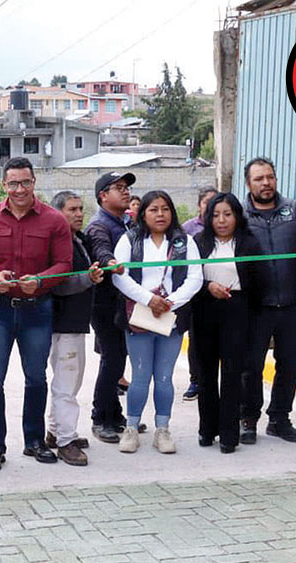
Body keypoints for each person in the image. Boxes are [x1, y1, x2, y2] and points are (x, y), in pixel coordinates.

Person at [0, 157, 73, 471]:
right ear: (4, 185)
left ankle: (34, 441)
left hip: (37, 311)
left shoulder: (54, 221)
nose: (20, 189)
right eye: (13, 183)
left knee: (35, 378)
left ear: (34, 182)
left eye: (25, 182)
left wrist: (41, 281)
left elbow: (64, 265)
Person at [241, 157, 296, 445]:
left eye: (270, 177)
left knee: (289, 365)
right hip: (255, 306)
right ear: (248, 184)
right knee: (250, 366)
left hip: (292, 303)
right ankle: (248, 419)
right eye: (259, 179)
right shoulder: (239, 215)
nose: (266, 183)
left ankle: (279, 418)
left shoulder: (294, 210)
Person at [112, 190, 202, 454]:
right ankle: (131, 428)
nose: (160, 214)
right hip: (139, 317)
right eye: (153, 209)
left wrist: (170, 302)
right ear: (143, 214)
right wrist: (148, 300)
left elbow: (195, 277)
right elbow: (120, 276)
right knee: (140, 376)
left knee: (164, 378)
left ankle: (162, 429)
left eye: (165, 209)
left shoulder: (185, 241)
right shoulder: (130, 240)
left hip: (171, 319)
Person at [192, 192, 262, 454]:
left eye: (227, 214)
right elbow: (189, 278)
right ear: (208, 217)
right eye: (216, 215)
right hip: (205, 309)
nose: (221, 221)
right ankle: (207, 429)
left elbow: (259, 283)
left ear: (237, 216)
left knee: (232, 374)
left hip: (238, 310)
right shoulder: (199, 243)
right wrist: (208, 287)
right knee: (206, 373)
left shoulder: (249, 244)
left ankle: (230, 435)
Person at [41, 191, 103, 466]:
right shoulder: (55, 244)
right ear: (57, 213)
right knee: (66, 383)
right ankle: (66, 441)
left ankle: (55, 432)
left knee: (72, 381)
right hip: (61, 323)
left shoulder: (78, 240)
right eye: (72, 210)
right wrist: (87, 279)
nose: (79, 214)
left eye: (80, 209)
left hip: (76, 322)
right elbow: (58, 283)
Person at [83, 171, 135, 443]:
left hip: (122, 303)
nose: (125, 192)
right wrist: (112, 262)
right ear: (103, 196)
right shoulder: (99, 226)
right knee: (112, 360)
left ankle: (115, 416)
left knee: (118, 360)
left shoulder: (124, 223)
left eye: (126, 188)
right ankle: (100, 418)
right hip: (105, 304)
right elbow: (102, 251)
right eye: (118, 188)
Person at [179, 187, 218, 402]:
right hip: (196, 293)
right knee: (196, 338)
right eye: (207, 202)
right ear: (199, 205)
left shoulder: (226, 227)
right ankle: (196, 380)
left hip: (223, 290)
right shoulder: (188, 230)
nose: (211, 207)